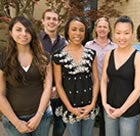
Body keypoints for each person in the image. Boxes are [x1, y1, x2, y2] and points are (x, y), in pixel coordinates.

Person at [0, 16, 52, 136]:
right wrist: (16, 122)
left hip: (41, 118)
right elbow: (0, 94)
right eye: (18, 30)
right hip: (14, 119)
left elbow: (47, 87)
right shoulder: (3, 58)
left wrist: (39, 115)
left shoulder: (44, 57)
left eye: (27, 30)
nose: (24, 34)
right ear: (10, 32)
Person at [53, 16, 99, 136]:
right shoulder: (58, 56)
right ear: (67, 31)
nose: (78, 33)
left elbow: (96, 80)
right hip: (70, 106)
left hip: (89, 105)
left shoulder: (91, 53)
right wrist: (70, 108)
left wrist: (92, 104)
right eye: (74, 29)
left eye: (81, 30)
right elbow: (58, 84)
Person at [101, 15, 140, 136]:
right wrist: (105, 103)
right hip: (110, 109)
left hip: (129, 112)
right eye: (118, 33)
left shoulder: (138, 57)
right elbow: (104, 80)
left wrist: (121, 110)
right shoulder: (108, 54)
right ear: (114, 33)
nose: (122, 37)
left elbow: (138, 89)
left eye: (126, 33)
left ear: (132, 34)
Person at [85, 16, 117, 136]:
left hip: (109, 87)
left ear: (109, 30)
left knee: (106, 118)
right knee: (90, 117)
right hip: (92, 86)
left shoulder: (115, 47)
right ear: (95, 29)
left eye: (105, 27)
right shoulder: (88, 46)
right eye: (100, 26)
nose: (102, 29)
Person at [38, 8, 67, 136]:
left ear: (59, 22)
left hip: (59, 92)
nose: (51, 21)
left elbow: (67, 69)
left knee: (60, 125)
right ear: (43, 21)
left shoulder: (65, 43)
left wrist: (57, 88)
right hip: (39, 91)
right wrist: (46, 88)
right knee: (39, 126)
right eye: (48, 18)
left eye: (54, 19)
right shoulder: (35, 41)